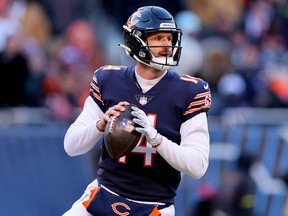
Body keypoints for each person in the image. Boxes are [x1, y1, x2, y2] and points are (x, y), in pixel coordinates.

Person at [63, 6, 212, 216]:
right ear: (136, 40)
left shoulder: (190, 91)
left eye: (169, 38)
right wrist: (100, 125)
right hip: (105, 195)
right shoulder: (108, 79)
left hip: (155, 207)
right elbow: (71, 146)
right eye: (158, 38)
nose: (167, 45)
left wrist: (155, 138)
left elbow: (197, 166)